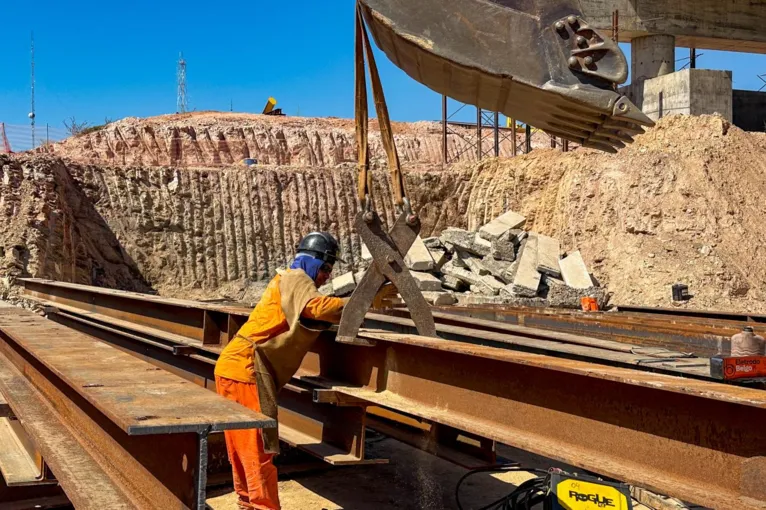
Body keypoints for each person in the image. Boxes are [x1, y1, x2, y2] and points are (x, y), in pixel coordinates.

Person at [214, 232, 348, 510]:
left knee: (242, 449)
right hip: (247, 370)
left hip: (232, 366)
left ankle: (247, 504)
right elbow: (315, 307)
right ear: (313, 262)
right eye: (326, 269)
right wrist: (360, 304)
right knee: (257, 450)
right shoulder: (297, 278)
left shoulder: (286, 279)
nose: (326, 277)